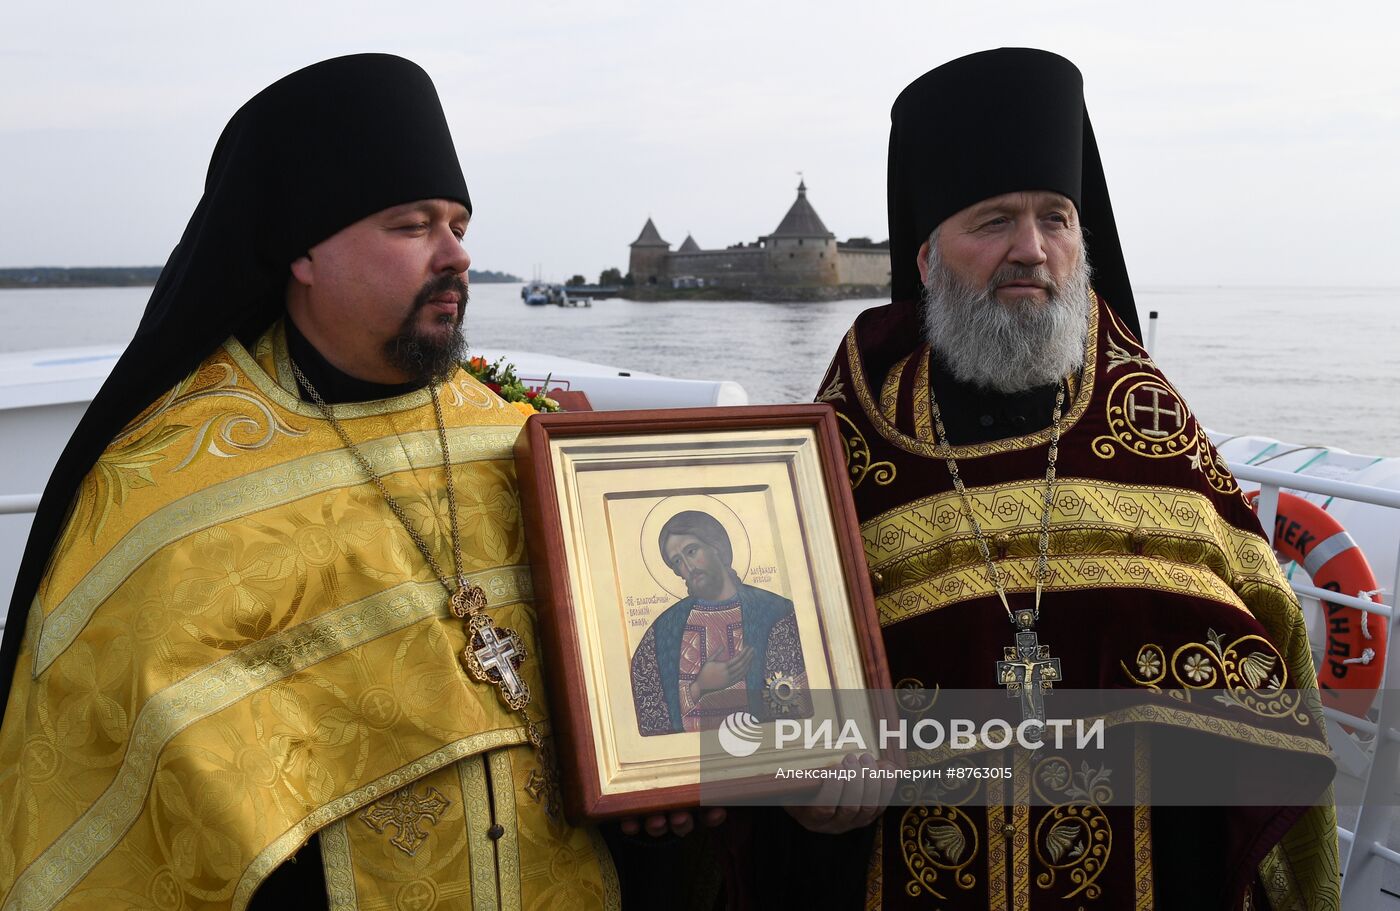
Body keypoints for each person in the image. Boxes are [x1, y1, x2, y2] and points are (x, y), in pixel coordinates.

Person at [0, 55, 617, 909]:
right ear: (304, 253)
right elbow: (124, 792)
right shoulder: (165, 480)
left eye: (460, 227)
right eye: (412, 227)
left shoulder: (511, 439)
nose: (456, 256)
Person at [816, 49, 1339, 908]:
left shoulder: (1146, 419)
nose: (1032, 250)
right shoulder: (849, 432)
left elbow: (1268, 641)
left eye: (1056, 219)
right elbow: (772, 672)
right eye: (993, 221)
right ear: (924, 256)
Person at [629, 510, 808, 735]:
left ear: (716, 546)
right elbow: (647, 714)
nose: (688, 567)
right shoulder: (663, 631)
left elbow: (798, 707)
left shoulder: (775, 613)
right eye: (678, 561)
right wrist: (698, 687)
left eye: (692, 551)